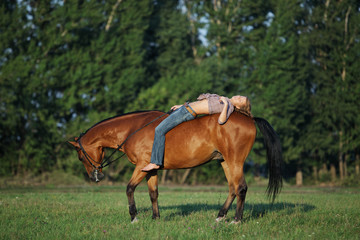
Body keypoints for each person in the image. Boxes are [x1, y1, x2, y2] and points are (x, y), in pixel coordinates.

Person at [141, 93, 252, 172]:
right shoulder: (225, 99)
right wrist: (181, 106)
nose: (239, 97)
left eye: (241, 100)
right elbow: (200, 104)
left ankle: (155, 162)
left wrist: (226, 104)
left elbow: (221, 120)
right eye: (241, 96)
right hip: (185, 109)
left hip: (186, 113)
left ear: (238, 107)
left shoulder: (229, 107)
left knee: (159, 130)